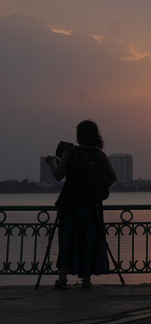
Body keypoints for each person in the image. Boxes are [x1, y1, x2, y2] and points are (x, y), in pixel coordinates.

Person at [45, 120, 117, 289]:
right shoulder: (100, 155)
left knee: (67, 238)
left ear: (79, 135)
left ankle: (62, 278)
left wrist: (51, 162)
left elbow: (58, 174)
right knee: (89, 239)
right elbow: (113, 177)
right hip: (93, 207)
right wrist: (96, 189)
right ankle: (87, 280)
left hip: (70, 205)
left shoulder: (71, 152)